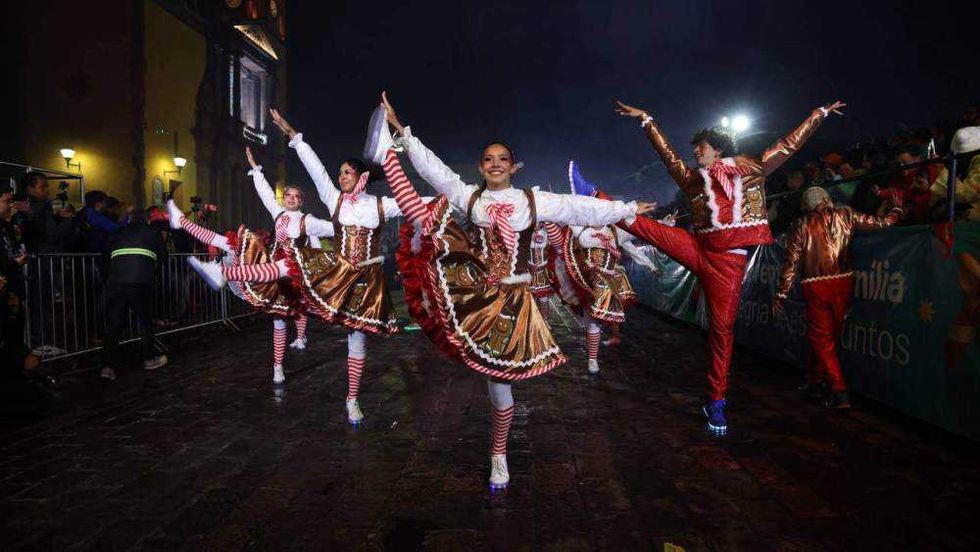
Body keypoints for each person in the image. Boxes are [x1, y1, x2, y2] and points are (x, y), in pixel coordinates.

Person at [369, 93, 653, 489]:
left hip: (515, 298)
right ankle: (498, 454)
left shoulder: (530, 201)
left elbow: (578, 208)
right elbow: (438, 173)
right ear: (482, 167)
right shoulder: (472, 198)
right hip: (479, 291)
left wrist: (624, 209)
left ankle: (499, 447)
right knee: (496, 376)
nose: (495, 164)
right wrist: (404, 133)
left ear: (513, 166)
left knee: (501, 382)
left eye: (502, 159)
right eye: (488, 159)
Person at [608, 98, 846, 436]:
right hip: (697, 247)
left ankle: (716, 400)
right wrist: (647, 120)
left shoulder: (754, 167)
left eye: (700, 148)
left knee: (721, 333)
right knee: (647, 227)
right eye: (694, 148)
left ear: (717, 149)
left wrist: (818, 115)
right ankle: (598, 199)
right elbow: (668, 157)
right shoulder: (693, 179)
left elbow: (789, 145)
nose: (695, 153)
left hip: (727, 264)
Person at [170, 148, 325, 386]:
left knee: (286, 318)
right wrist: (256, 169)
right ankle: (181, 221)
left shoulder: (309, 221)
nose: (290, 198)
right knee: (232, 242)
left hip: (292, 274)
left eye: (295, 196)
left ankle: (285, 357)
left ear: (302, 201)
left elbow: (323, 237)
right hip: (272, 267)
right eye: (288, 195)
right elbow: (265, 194)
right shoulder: (279, 213)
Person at [773, 187, 902, 409]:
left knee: (822, 340)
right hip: (844, 283)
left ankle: (839, 390)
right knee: (828, 339)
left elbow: (791, 264)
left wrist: (781, 294)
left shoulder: (801, 225)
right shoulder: (847, 215)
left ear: (807, 206)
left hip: (816, 286)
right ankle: (815, 382)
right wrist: (897, 209)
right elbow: (883, 223)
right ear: (826, 200)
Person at [544, 160, 659, 371]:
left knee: (599, 319)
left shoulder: (615, 231)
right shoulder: (581, 229)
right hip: (587, 278)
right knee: (592, 320)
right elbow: (563, 220)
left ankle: (599, 351)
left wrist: (660, 232)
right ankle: (592, 359)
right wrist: (551, 210)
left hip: (609, 279)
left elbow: (639, 242)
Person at [101, 208, 169, 380]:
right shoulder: (153, 232)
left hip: (116, 282)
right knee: (144, 322)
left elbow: (105, 259)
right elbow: (163, 258)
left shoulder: (117, 232)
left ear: (130, 220)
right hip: (140, 282)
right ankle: (149, 359)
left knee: (113, 324)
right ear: (148, 220)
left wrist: (110, 279)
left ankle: (108, 367)